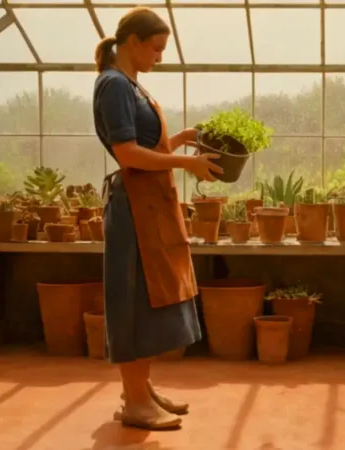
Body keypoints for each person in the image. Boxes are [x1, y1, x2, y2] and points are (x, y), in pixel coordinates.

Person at [92, 7, 222, 430]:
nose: (160, 57)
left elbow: (144, 141)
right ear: (131, 42)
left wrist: (179, 140)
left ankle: (141, 388)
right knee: (133, 300)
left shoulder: (132, 85)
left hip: (149, 205)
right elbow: (127, 153)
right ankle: (134, 401)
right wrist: (187, 165)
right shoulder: (113, 85)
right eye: (156, 48)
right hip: (133, 209)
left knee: (152, 297)